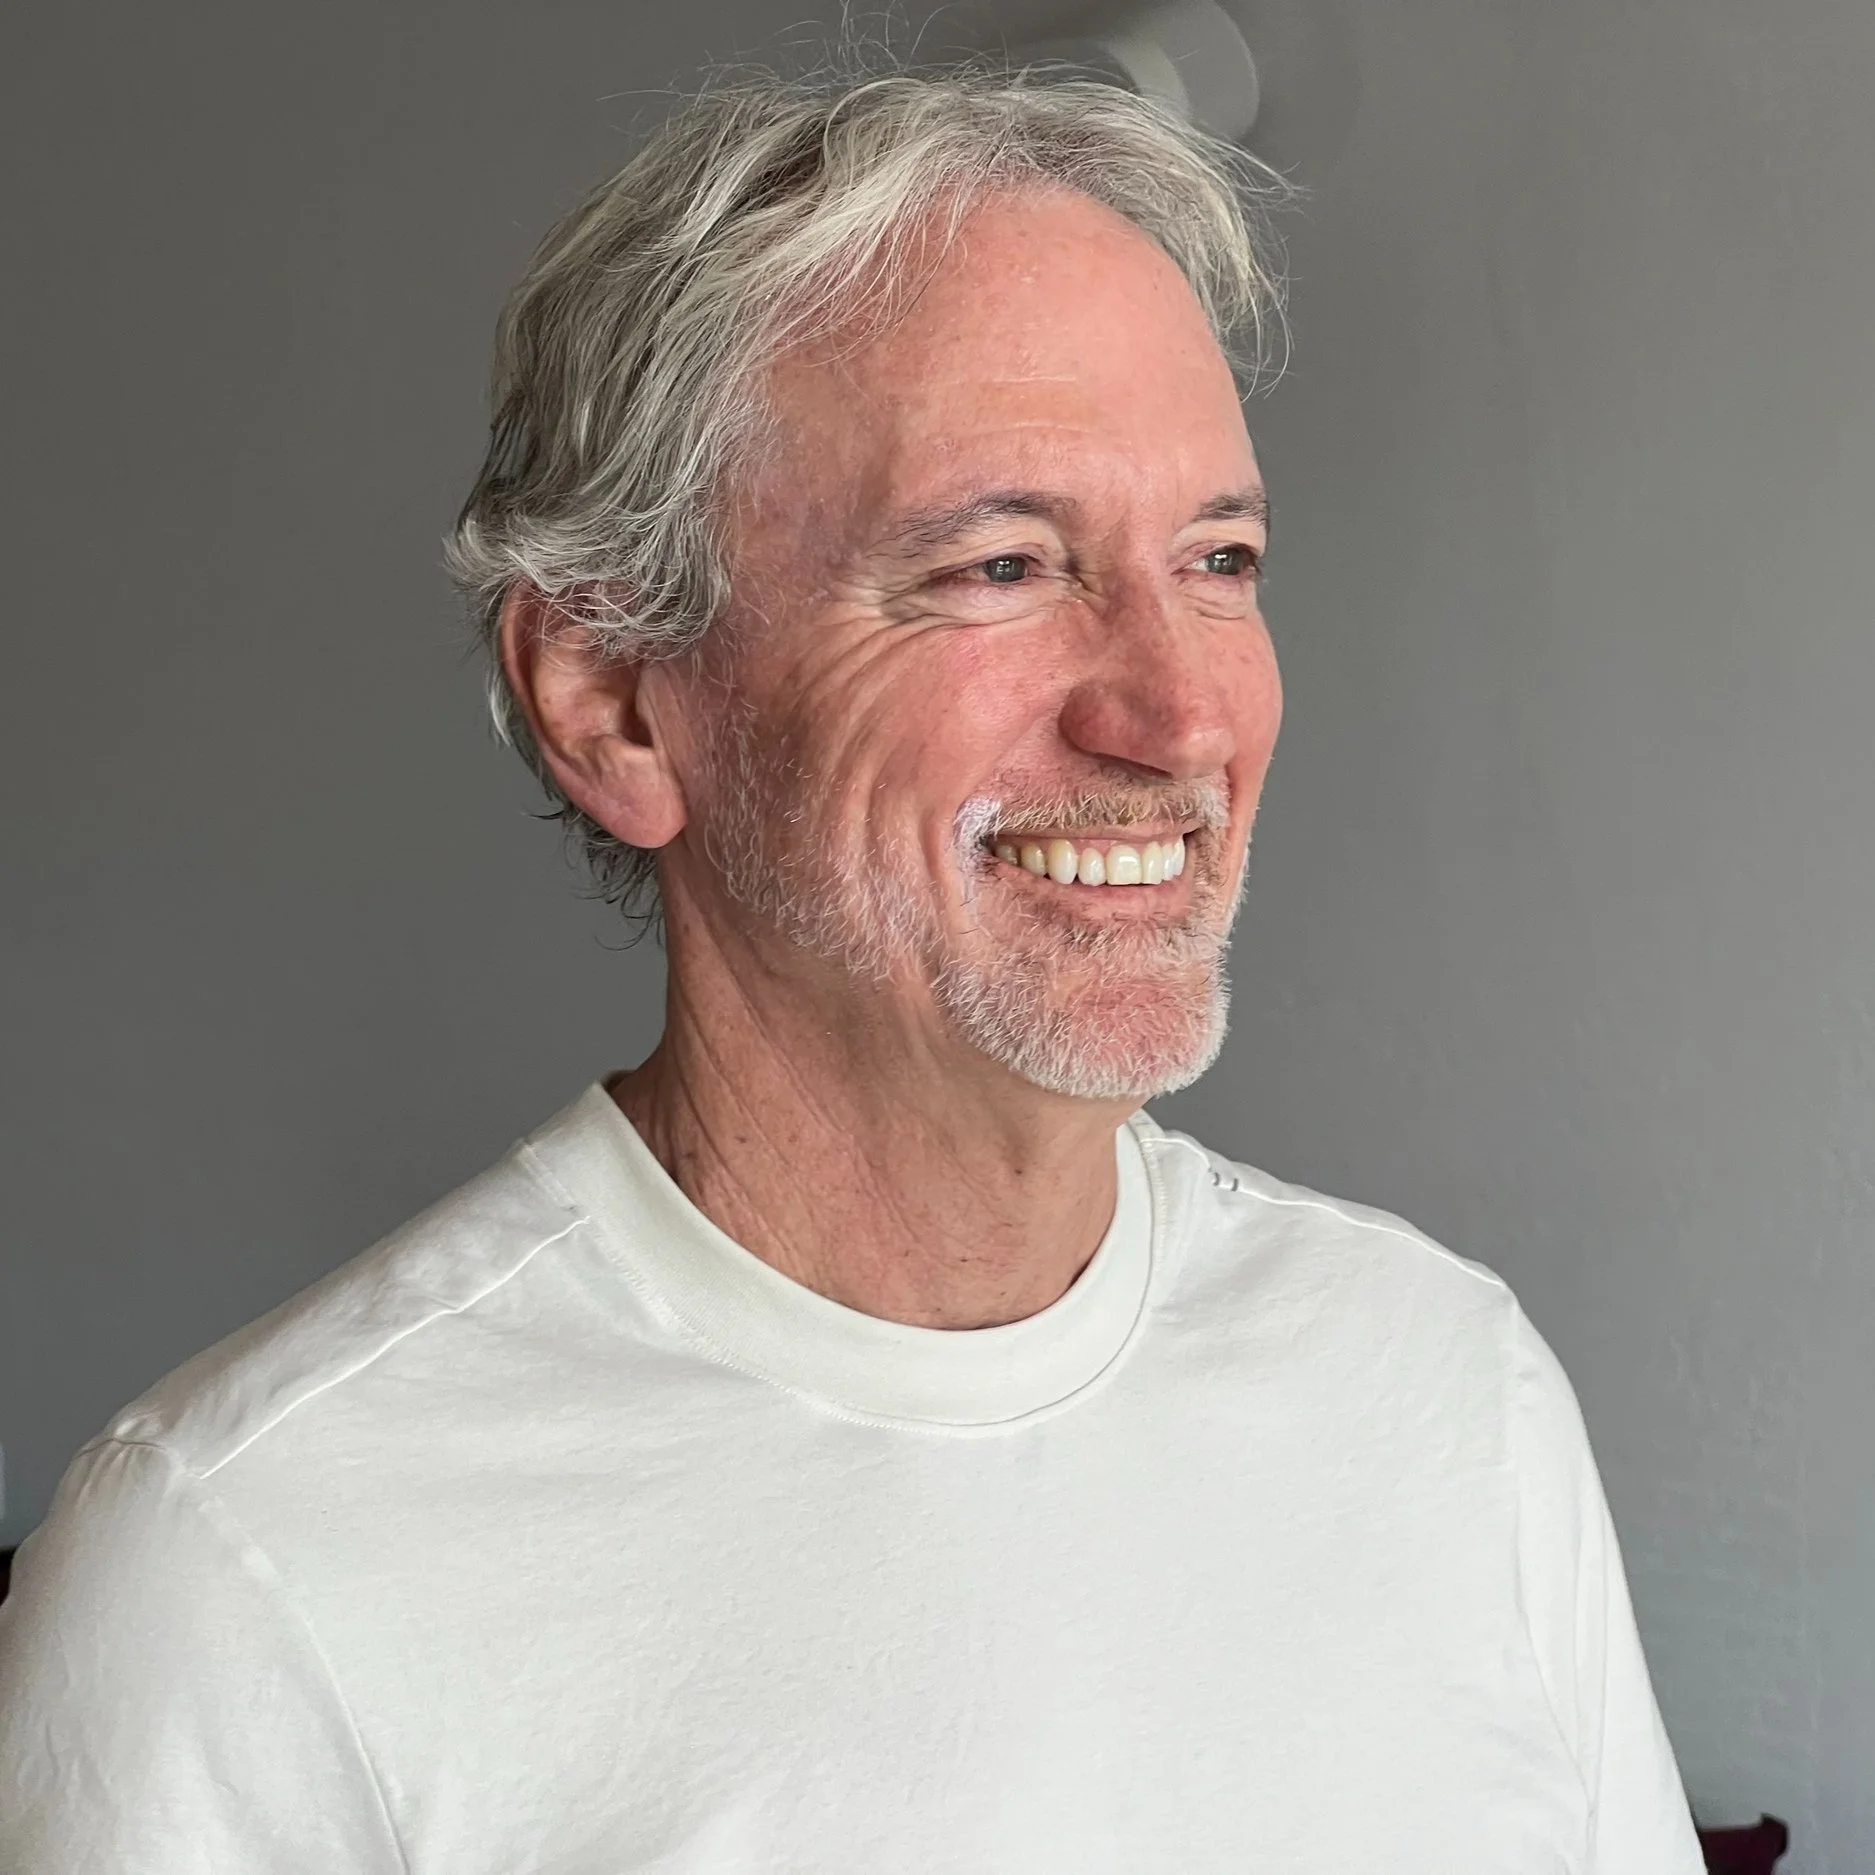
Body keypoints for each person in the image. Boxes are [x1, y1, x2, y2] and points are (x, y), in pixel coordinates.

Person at [0, 65, 1706, 1872]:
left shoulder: (1446, 1387)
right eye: (1000, 563)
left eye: (1219, 557)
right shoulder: (244, 1570)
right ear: (614, 704)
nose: (1181, 707)